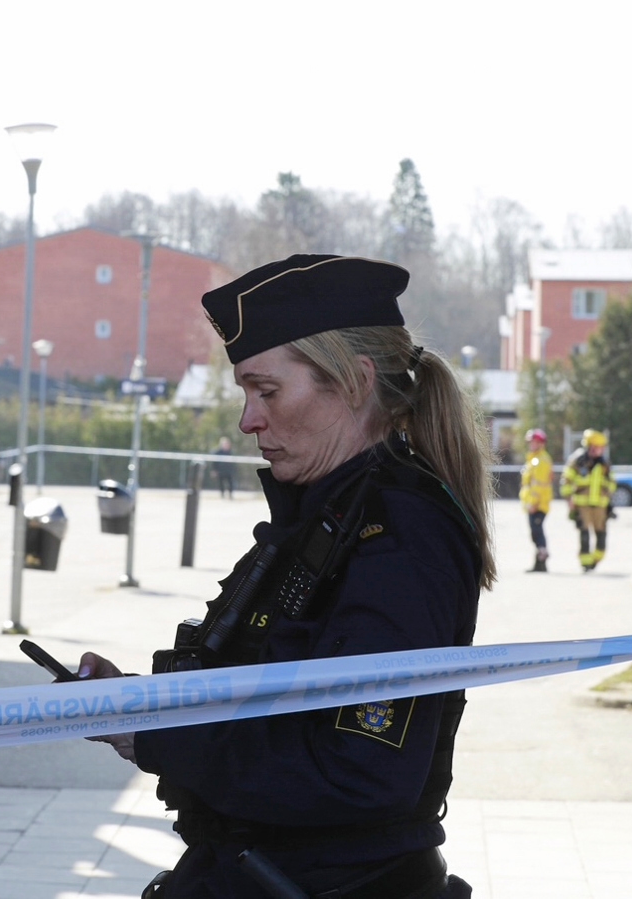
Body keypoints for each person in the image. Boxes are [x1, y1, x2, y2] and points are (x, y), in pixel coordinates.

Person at [78, 254, 496, 899]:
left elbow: (359, 773)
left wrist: (158, 737)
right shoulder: (332, 514)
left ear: (354, 383)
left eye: (266, 390)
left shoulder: (400, 535)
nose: (249, 419)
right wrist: (143, 708)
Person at [561, 429, 614, 572]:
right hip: (582, 505)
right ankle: (585, 563)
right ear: (589, 446)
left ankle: (596, 560)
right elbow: (566, 481)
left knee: (601, 537)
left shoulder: (604, 464)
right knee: (584, 535)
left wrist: (608, 497)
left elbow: (611, 484)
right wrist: (569, 500)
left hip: (600, 507)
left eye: (601, 448)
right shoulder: (577, 461)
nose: (599, 451)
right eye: (596, 447)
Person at [519, 428, 554, 572]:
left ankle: (543, 554)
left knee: (537, 531)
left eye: (535, 442)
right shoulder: (533, 459)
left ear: (541, 444)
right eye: (531, 442)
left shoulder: (541, 461)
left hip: (538, 504)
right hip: (534, 503)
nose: (532, 444)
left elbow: (538, 485)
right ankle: (540, 564)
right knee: (535, 532)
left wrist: (533, 503)